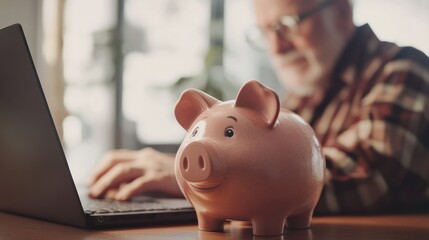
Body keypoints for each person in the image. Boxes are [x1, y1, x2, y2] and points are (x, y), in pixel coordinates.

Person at [89, 0, 429, 214]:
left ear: (341, 11)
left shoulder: (403, 69)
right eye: (265, 32)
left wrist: (210, 174)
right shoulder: (301, 100)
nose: (276, 47)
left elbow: (373, 173)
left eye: (288, 25)